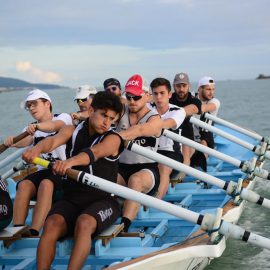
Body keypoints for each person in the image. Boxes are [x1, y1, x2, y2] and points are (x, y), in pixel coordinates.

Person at [22, 91, 124, 270]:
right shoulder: (72, 130)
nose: (107, 123)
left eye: (111, 119)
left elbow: (95, 153)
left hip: (104, 200)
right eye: (103, 115)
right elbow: (52, 142)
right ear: (91, 110)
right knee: (51, 224)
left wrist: (68, 162)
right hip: (73, 197)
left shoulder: (113, 139)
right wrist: (36, 150)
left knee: (84, 222)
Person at [4, 89, 72, 236]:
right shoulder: (30, 128)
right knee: (23, 185)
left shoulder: (63, 117)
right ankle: (18, 229)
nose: (31, 108)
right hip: (45, 171)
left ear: (47, 103)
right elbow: (25, 140)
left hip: (64, 170)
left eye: (34, 104)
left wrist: (37, 127)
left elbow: (55, 126)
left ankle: (34, 231)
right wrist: (13, 142)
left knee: (46, 184)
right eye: (29, 106)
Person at [116, 74, 163, 232]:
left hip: (147, 170)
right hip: (122, 168)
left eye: (136, 97)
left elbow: (141, 130)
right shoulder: (121, 111)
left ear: (148, 97)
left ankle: (124, 227)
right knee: (105, 176)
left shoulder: (155, 119)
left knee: (135, 181)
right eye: (128, 97)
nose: (132, 101)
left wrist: (115, 137)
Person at [149, 77, 186, 199]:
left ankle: (155, 203)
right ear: (151, 95)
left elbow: (167, 124)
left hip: (171, 153)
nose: (158, 97)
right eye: (155, 94)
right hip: (149, 152)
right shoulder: (147, 108)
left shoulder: (178, 111)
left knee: (163, 167)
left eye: (162, 93)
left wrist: (146, 126)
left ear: (169, 94)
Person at [169, 73, 202, 172]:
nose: (181, 89)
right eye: (178, 86)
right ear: (174, 86)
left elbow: (192, 109)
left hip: (187, 139)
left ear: (189, 86)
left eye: (184, 86)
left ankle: (181, 174)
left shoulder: (195, 101)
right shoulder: (168, 99)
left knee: (186, 149)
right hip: (170, 138)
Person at [190, 76, 220, 170]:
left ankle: (199, 169)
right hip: (189, 133)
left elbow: (204, 108)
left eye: (213, 89)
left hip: (205, 136)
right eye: (208, 89)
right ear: (200, 89)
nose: (211, 92)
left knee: (203, 143)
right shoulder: (190, 96)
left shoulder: (215, 101)